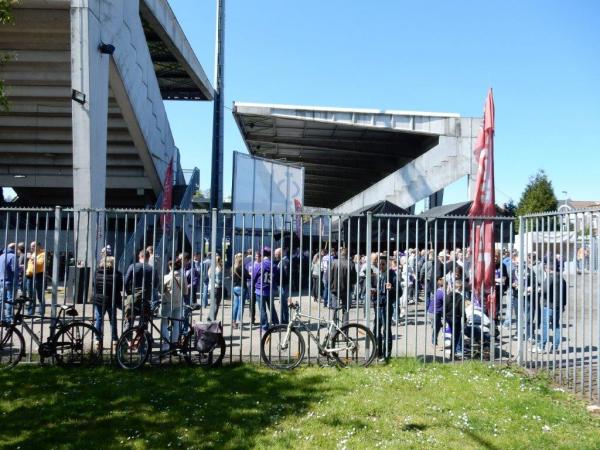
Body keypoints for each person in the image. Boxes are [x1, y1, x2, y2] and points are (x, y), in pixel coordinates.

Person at [533, 263, 567, 353]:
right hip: (559, 306)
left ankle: (541, 346)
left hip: (549, 306)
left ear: (548, 269)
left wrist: (539, 289)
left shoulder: (550, 277)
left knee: (544, 325)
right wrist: (563, 305)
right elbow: (564, 293)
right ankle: (555, 347)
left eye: (545, 269)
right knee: (556, 326)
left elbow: (544, 290)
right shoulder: (562, 279)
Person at [93, 254, 122, 352]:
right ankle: (114, 341)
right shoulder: (117, 274)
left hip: (99, 300)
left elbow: (94, 285)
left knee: (99, 319)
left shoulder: (97, 273)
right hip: (111, 300)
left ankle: (98, 341)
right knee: (113, 321)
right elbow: (120, 288)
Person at [371, 257, 397, 361]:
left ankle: (387, 354)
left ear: (387, 264)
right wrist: (374, 292)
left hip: (386, 305)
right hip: (378, 304)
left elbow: (398, 291)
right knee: (376, 329)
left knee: (386, 330)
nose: (380, 266)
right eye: (379, 264)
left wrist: (391, 289)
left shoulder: (392, 275)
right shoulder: (378, 274)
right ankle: (378, 352)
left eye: (383, 264)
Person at [161, 257, 188, 349]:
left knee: (164, 323)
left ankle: (166, 344)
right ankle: (174, 342)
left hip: (168, 302)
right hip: (179, 302)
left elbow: (161, 291)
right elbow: (186, 292)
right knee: (176, 323)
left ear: (170, 266)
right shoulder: (183, 276)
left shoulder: (167, 277)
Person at [124, 249, 154, 326]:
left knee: (130, 319)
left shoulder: (132, 266)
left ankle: (127, 336)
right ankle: (142, 337)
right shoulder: (151, 269)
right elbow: (156, 284)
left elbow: (126, 282)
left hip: (133, 296)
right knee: (144, 321)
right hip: (146, 297)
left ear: (139, 256)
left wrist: (129, 293)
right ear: (148, 257)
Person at [252, 247, 279, 331]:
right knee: (272, 308)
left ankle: (264, 326)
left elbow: (253, 277)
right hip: (270, 289)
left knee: (262, 310)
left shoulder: (259, 265)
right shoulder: (274, 265)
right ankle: (276, 323)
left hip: (260, 290)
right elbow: (277, 277)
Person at [329, 247, 355, 324]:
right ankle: (345, 332)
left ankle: (333, 331)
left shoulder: (334, 262)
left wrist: (331, 286)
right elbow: (354, 280)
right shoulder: (350, 263)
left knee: (335, 310)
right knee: (346, 310)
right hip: (346, 289)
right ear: (347, 254)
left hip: (335, 289)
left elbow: (329, 277)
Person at [25, 241, 46, 316]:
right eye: (31, 246)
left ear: (38, 246)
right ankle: (30, 312)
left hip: (38, 276)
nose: (31, 247)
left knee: (40, 295)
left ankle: (41, 312)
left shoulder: (42, 254)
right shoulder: (33, 254)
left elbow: (40, 264)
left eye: (33, 246)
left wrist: (31, 258)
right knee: (30, 295)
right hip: (29, 276)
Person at [445, 280, 465, 357]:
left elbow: (445, 306)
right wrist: (465, 319)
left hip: (449, 317)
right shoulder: (460, 297)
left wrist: (445, 316)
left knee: (451, 334)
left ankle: (452, 352)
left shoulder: (448, 295)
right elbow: (461, 310)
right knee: (456, 336)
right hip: (456, 318)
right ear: (460, 288)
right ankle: (454, 352)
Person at [0, 243, 19, 323]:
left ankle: (2, 317)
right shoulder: (13, 256)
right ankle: (9, 318)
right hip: (11, 281)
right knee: (10, 300)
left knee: (2, 300)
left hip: (1, 281)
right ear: (14, 248)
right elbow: (14, 270)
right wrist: (20, 269)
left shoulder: (1, 256)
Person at [274, 247, 290, 324]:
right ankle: (284, 319)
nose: (275, 256)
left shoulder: (285, 261)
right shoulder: (282, 261)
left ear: (280, 253)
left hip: (283, 285)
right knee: (283, 303)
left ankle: (285, 320)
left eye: (276, 254)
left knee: (284, 303)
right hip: (281, 285)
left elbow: (285, 275)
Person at [428, 277, 445, 348]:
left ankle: (434, 342)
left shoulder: (437, 291)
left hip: (431, 312)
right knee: (436, 329)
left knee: (438, 326)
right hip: (435, 313)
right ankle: (434, 343)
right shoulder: (442, 293)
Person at [231, 253, 246, 329]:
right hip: (241, 287)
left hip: (234, 288)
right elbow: (248, 276)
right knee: (241, 306)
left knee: (235, 305)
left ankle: (233, 322)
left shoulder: (233, 267)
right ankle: (240, 323)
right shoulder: (241, 268)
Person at [207, 254, 223, 321]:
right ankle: (212, 318)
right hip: (217, 288)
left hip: (210, 288)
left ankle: (210, 317)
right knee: (216, 305)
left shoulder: (211, 268)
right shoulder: (218, 269)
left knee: (213, 304)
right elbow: (218, 281)